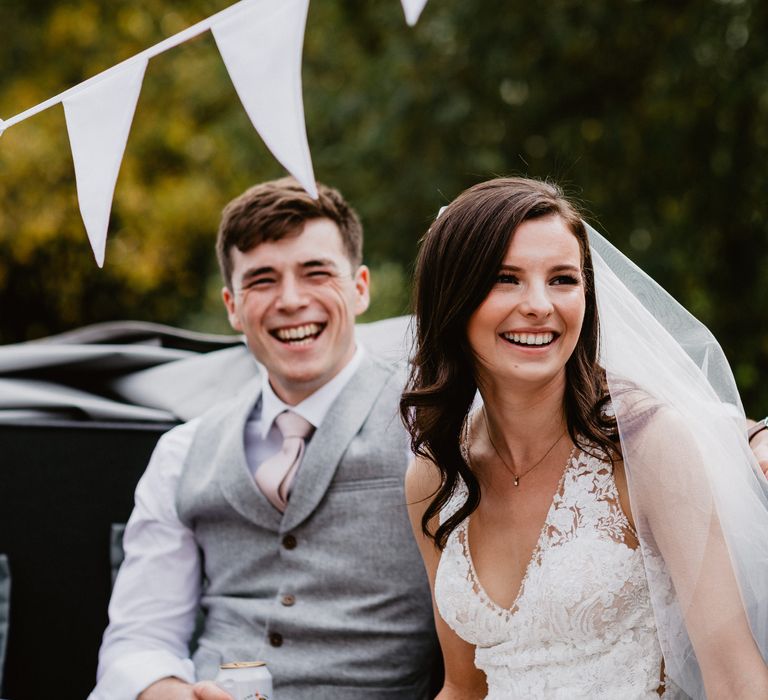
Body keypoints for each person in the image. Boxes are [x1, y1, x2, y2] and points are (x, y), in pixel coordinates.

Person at [401, 177, 768, 699]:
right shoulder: (434, 474)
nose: (538, 305)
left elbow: (736, 679)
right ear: (452, 297)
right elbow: (463, 687)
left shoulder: (647, 444)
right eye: (506, 279)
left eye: (562, 280)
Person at [89, 178, 437, 700]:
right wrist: (169, 693)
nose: (291, 300)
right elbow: (141, 637)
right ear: (232, 305)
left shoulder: (432, 427)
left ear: (360, 287)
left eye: (316, 272)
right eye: (262, 280)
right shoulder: (181, 453)